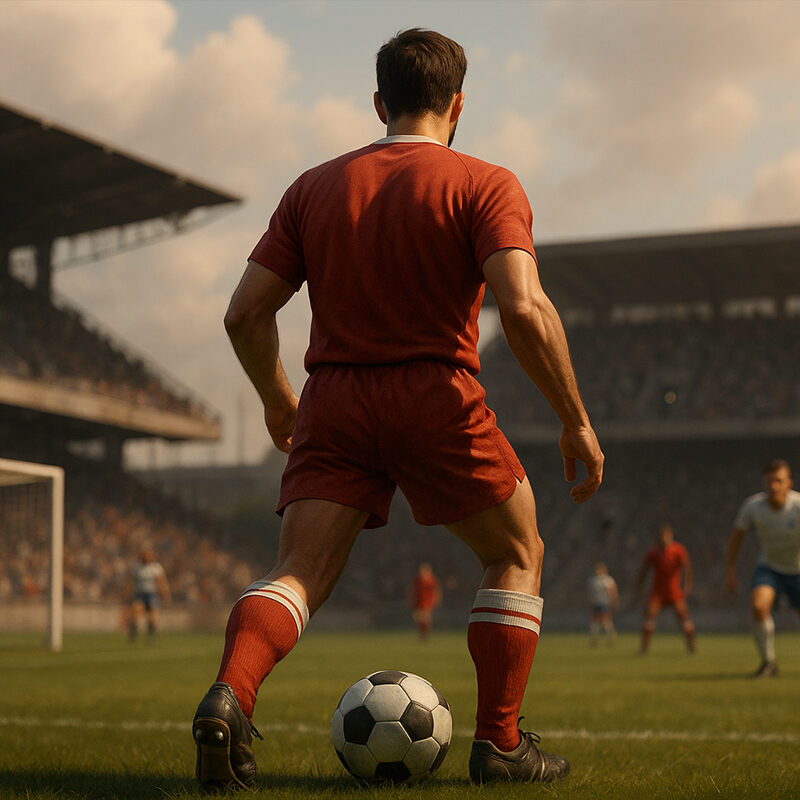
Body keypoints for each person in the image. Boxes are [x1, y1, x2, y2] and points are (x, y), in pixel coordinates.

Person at [191, 28, 604, 790]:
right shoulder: (486, 182)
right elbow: (522, 306)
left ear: (379, 103)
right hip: (434, 392)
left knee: (298, 571)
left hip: (335, 398)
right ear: (458, 106)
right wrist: (573, 417)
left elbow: (244, 314)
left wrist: (283, 404)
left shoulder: (312, 187)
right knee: (516, 551)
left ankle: (229, 697)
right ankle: (502, 745)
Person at [726, 459, 800, 678]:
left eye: (779, 481)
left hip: (798, 569)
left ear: (789, 483)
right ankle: (768, 662)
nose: (773, 486)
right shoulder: (753, 507)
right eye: (769, 481)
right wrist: (731, 569)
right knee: (758, 607)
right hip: (770, 567)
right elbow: (736, 538)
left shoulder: (798, 506)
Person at [637, 524, 696, 654]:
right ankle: (644, 648)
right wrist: (639, 584)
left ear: (671, 536)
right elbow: (644, 570)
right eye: (662, 537)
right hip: (657, 592)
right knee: (649, 616)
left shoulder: (678, 550)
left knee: (684, 617)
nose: (664, 539)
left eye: (666, 536)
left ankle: (691, 647)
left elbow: (687, 568)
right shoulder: (653, 552)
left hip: (674, 591)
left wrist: (687, 584)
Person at [125, 547, 170, 641]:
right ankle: (134, 630)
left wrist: (164, 593)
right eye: (144, 555)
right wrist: (127, 591)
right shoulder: (137, 567)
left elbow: (161, 581)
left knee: (152, 616)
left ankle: (150, 634)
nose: (146, 557)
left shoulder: (156, 567)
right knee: (136, 611)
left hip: (152, 594)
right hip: (140, 593)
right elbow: (132, 581)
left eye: (148, 555)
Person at [407, 562, 442, 639]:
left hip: (427, 601)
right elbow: (412, 589)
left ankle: (425, 634)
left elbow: (436, 590)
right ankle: (422, 632)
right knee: (417, 617)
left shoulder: (432, 580)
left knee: (425, 617)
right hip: (418, 601)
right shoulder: (418, 579)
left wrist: (436, 599)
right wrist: (410, 599)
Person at [587, 562, 618, 646]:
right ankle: (594, 637)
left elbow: (612, 591)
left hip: (604, 602)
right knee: (595, 619)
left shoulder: (607, 580)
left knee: (605, 619)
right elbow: (590, 593)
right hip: (596, 602)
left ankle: (610, 635)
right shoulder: (593, 580)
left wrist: (613, 601)